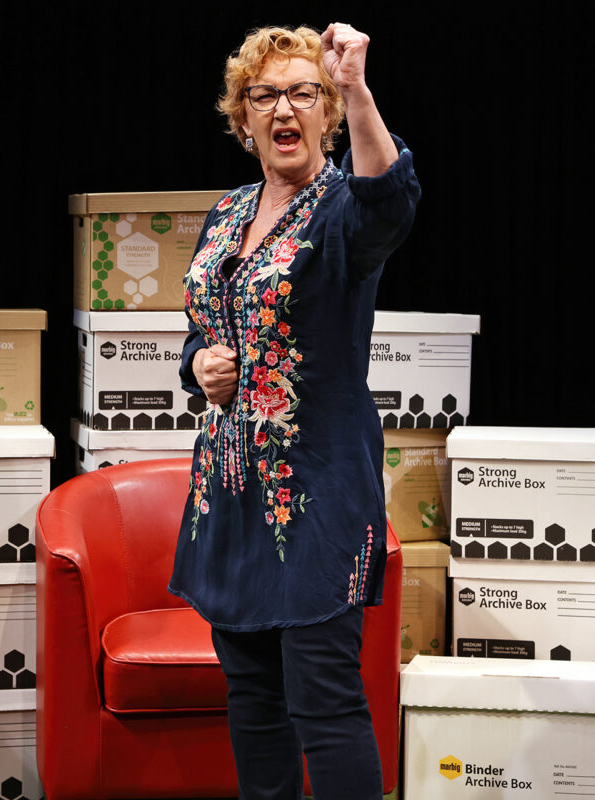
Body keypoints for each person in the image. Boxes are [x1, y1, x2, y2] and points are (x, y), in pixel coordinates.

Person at [168, 22, 420, 800]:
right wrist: (198, 366)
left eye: (303, 93)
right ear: (242, 119)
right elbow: (205, 333)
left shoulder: (340, 208)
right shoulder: (228, 213)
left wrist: (357, 86)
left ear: (326, 114)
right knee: (253, 701)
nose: (284, 108)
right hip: (230, 499)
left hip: (314, 499)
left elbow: (390, 198)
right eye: (265, 95)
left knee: (326, 702)